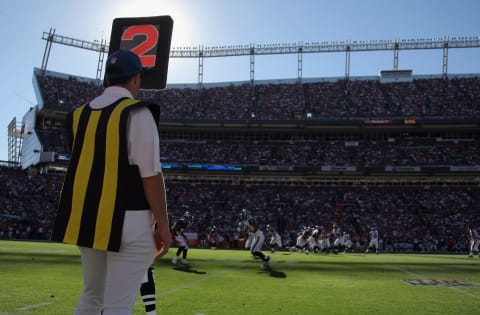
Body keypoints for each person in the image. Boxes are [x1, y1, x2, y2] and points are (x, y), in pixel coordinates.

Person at [51, 49, 171, 315]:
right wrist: (163, 224)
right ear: (136, 79)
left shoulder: (77, 116)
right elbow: (150, 175)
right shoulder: (137, 112)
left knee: (92, 296)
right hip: (129, 219)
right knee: (117, 305)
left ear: (107, 78)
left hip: (89, 219)